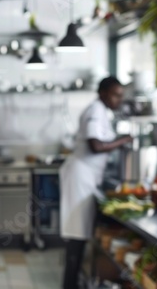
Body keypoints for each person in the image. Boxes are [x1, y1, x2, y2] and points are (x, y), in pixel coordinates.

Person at [60, 76, 132, 289]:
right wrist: (124, 140)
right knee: (76, 238)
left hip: (87, 177)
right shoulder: (95, 111)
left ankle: (73, 283)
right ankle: (69, 285)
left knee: (79, 237)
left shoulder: (101, 111)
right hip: (80, 177)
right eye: (115, 94)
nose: (119, 99)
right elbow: (96, 146)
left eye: (121, 95)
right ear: (103, 93)